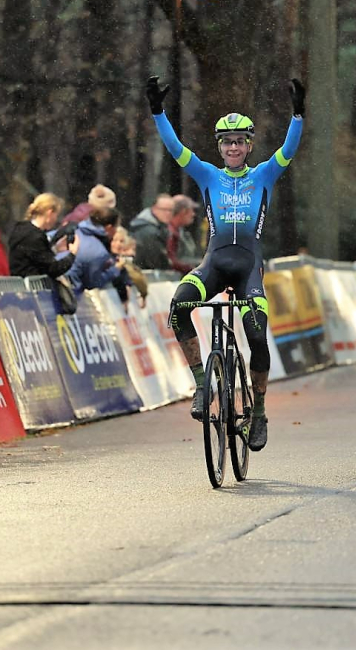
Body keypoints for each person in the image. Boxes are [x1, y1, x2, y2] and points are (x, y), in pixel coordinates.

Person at [147, 74, 305, 452]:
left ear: (249, 145)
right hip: (214, 264)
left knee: (256, 337)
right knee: (179, 305)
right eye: (227, 142)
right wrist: (157, 111)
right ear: (219, 147)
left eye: (239, 141)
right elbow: (174, 148)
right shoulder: (207, 174)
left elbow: (289, 149)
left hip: (249, 268)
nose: (233, 147)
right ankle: (202, 385)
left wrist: (298, 115)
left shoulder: (265, 173)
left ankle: (260, 411)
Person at [8, 193, 80, 278]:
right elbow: (53, 269)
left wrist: (55, 249)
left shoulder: (21, 229)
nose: (56, 219)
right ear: (50, 213)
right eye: (56, 215)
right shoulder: (35, 237)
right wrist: (72, 254)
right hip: (32, 288)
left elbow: (36, 259)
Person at [65, 207, 123, 295]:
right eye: (116, 227)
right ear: (109, 228)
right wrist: (115, 270)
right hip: (69, 292)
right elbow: (92, 283)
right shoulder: (99, 251)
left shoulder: (72, 230)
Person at [128, 194, 174, 270]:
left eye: (171, 210)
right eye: (164, 209)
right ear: (154, 208)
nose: (168, 213)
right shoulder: (149, 231)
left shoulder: (159, 227)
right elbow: (154, 261)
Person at [112, 226, 148, 307]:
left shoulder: (124, 263)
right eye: (114, 240)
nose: (118, 244)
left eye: (121, 241)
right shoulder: (105, 260)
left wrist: (143, 294)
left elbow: (138, 278)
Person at [167, 194, 200, 272]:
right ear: (183, 211)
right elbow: (172, 261)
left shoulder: (179, 231)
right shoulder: (170, 232)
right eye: (191, 210)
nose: (193, 214)